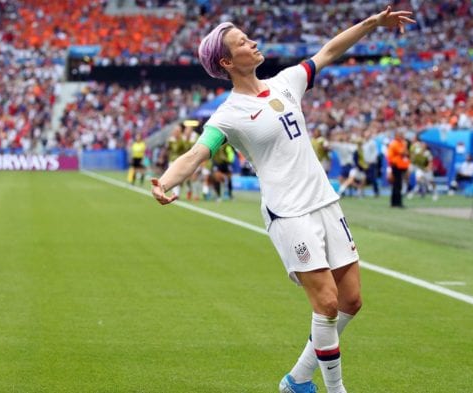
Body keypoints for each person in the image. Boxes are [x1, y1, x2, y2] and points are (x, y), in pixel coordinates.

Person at [149, 8, 414, 393]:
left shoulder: (287, 81)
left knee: (350, 301)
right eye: (242, 42)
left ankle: (297, 380)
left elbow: (327, 51)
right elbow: (196, 153)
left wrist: (371, 24)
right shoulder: (229, 115)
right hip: (288, 213)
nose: (252, 43)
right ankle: (336, 390)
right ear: (227, 61)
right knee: (325, 305)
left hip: (324, 200)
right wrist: (166, 182)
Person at [386, 130, 411, 207]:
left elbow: (407, 153)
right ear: (396, 136)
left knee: (398, 185)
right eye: (400, 135)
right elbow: (402, 152)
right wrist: (405, 145)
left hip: (400, 166)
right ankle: (397, 203)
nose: (402, 137)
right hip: (396, 165)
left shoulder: (400, 143)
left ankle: (394, 203)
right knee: (397, 185)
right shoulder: (395, 143)